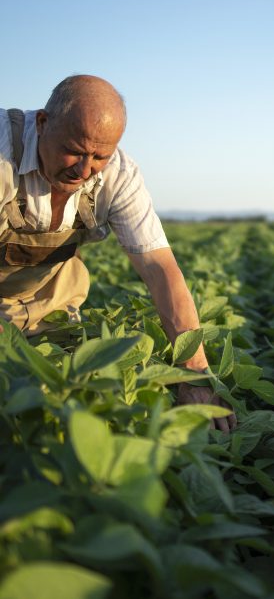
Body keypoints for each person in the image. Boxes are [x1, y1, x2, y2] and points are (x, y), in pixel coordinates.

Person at [0, 74, 236, 432]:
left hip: (48, 310)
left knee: (68, 409)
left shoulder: (120, 176)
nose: (83, 169)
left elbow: (160, 270)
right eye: (75, 150)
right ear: (43, 123)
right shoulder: (3, 152)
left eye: (99, 156)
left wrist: (195, 375)